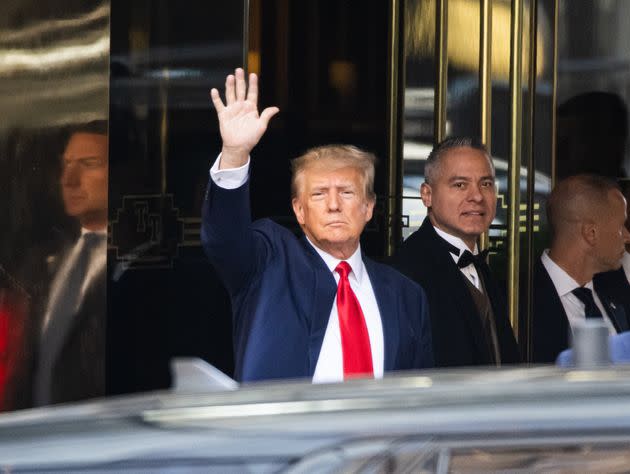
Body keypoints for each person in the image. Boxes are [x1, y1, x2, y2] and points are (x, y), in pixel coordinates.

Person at [202, 68, 433, 382]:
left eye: (347, 193)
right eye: (320, 193)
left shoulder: (406, 296)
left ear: (368, 207)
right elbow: (224, 241)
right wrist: (234, 154)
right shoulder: (269, 263)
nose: (334, 204)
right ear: (299, 210)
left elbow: (418, 398)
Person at [392, 137, 519, 367]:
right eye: (460, 185)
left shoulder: (482, 267)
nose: (477, 196)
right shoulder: (405, 273)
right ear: (426, 195)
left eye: (486, 184)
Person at [31, 121, 109, 405]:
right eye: (66, 164)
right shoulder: (47, 263)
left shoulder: (134, 263)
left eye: (88, 164)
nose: (69, 179)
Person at [531, 174, 630, 363]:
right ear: (590, 233)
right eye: (621, 226)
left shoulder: (618, 292)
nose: (627, 236)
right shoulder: (519, 302)